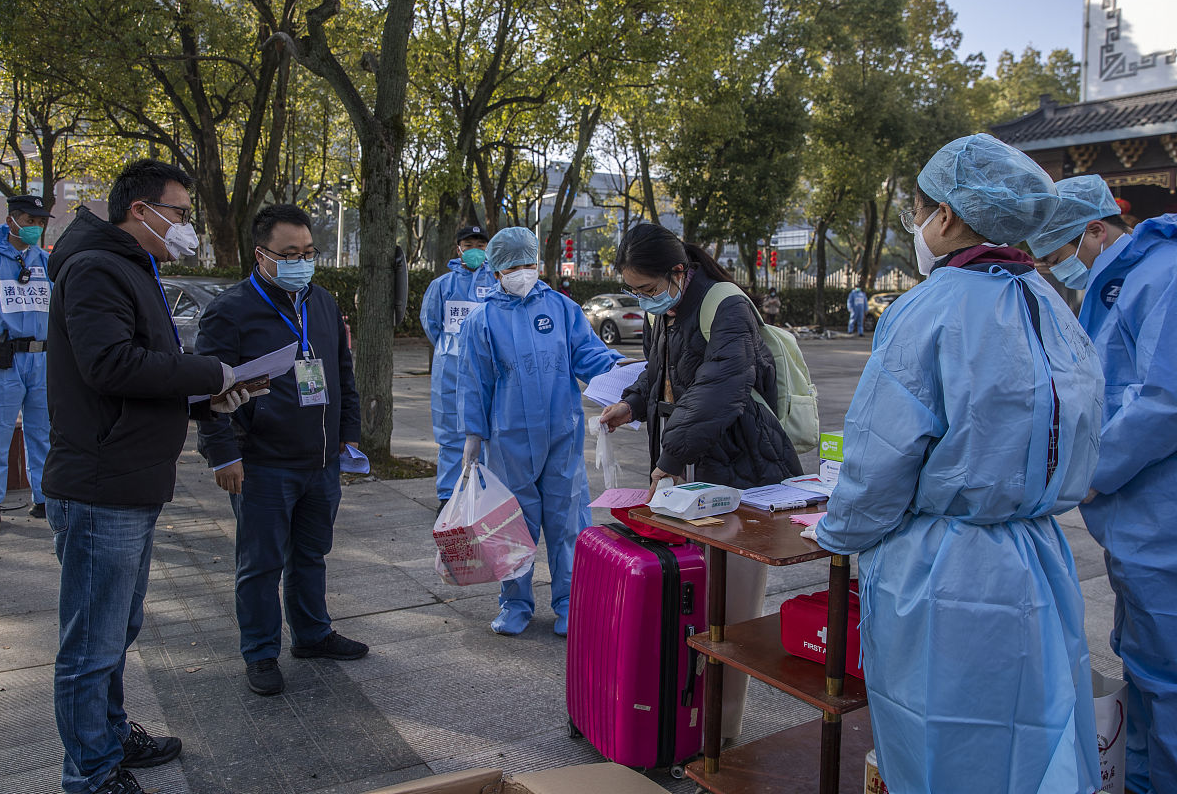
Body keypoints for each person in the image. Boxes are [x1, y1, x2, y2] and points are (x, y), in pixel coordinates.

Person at [814, 134, 1105, 794]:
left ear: (944, 215)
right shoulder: (1052, 306)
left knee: (942, 746)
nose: (917, 225)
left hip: (943, 570)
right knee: (1032, 741)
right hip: (1038, 559)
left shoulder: (929, 308)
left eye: (918, 212)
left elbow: (881, 457)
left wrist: (837, 530)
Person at [46, 160, 258, 794]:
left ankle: (109, 737)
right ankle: (90, 773)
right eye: (182, 213)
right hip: (100, 485)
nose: (189, 225)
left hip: (131, 479)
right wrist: (212, 373)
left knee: (117, 630)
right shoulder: (96, 268)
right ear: (140, 210)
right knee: (91, 644)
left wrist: (207, 399)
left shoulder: (132, 267)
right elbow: (110, 365)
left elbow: (148, 370)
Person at [599, 222, 803, 740]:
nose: (643, 300)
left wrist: (669, 458)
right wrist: (632, 403)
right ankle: (685, 721)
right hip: (692, 468)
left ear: (678, 271)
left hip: (740, 469)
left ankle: (721, 731)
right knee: (694, 600)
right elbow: (660, 371)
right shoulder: (665, 310)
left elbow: (718, 388)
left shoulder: (726, 306)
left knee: (730, 613)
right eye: (634, 291)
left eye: (648, 289)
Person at [1030, 174, 1177, 794]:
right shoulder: (1122, 282)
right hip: (1139, 519)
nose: (1058, 267)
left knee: (1167, 679)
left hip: (1160, 518)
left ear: (1095, 229)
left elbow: (1163, 401)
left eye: (1059, 253)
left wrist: (1089, 472)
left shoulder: (1163, 275)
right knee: (1144, 666)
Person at [196, 204, 366, 697]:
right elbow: (206, 391)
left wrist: (348, 433)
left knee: (311, 554)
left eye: (309, 252)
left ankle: (312, 634)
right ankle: (260, 652)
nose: (302, 262)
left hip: (321, 460)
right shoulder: (231, 310)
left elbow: (342, 373)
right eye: (290, 254)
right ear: (261, 255)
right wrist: (223, 454)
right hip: (262, 464)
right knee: (261, 563)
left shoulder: (322, 302)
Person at [457, 226, 623, 637]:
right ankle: (515, 603)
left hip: (562, 433)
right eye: (513, 265)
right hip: (509, 439)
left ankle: (570, 602)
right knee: (514, 524)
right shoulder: (482, 319)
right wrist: (473, 434)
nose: (523, 272)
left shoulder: (563, 309)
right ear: (497, 269)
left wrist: (625, 373)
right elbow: (474, 381)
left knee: (568, 521)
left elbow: (590, 356)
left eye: (528, 263)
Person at [0, 195, 53, 532]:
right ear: (11, 220)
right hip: (1, 361)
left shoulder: (46, 262)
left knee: (43, 433)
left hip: (42, 360)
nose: (36, 227)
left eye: (40, 222)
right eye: (29, 220)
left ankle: (44, 498)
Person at [421, 225, 496, 510]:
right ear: (458, 249)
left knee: (489, 432)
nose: (475, 250)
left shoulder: (497, 282)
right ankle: (448, 497)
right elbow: (431, 324)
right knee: (451, 435)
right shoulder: (442, 285)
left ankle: (487, 495)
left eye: (481, 244)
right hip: (450, 371)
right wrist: (453, 350)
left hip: (489, 369)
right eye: (468, 244)